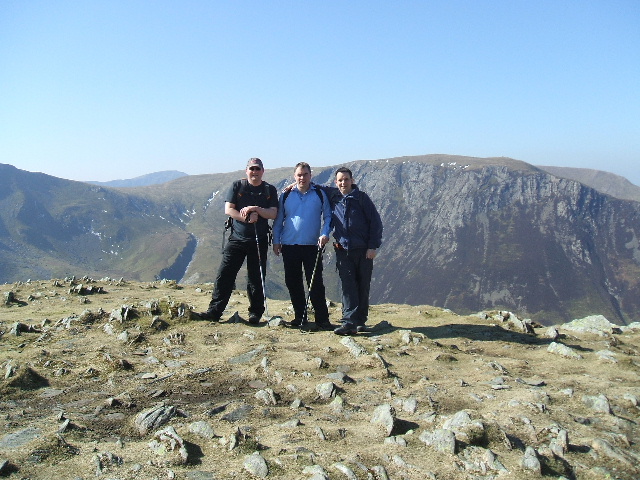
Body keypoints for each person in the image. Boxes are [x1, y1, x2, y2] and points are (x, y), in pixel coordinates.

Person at [199, 158, 278, 324]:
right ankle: (214, 311)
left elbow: (273, 213)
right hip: (237, 238)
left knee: (256, 278)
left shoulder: (269, 190)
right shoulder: (237, 186)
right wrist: (247, 219)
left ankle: (255, 313)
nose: (254, 172)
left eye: (257, 169)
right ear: (246, 170)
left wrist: (255, 209)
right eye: (252, 169)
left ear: (263, 171)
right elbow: (229, 209)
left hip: (259, 239)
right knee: (225, 275)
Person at [272, 162, 334, 330]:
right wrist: (276, 240)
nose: (302, 178)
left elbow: (328, 216)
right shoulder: (286, 195)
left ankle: (322, 319)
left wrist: (325, 233)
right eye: (299, 175)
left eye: (305, 174)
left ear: (310, 175)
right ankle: (300, 317)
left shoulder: (320, 194)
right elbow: (279, 219)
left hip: (312, 245)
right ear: (295, 176)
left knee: (316, 283)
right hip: (289, 245)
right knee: (293, 283)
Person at [329, 167, 383, 335]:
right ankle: (349, 322)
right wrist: (293, 185)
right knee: (348, 286)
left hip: (363, 250)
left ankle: (360, 321)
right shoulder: (334, 197)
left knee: (362, 285)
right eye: (340, 180)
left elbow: (376, 223)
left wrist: (372, 246)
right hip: (343, 250)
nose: (343, 182)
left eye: (346, 179)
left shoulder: (361, 198)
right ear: (335, 182)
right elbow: (312, 185)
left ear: (352, 180)